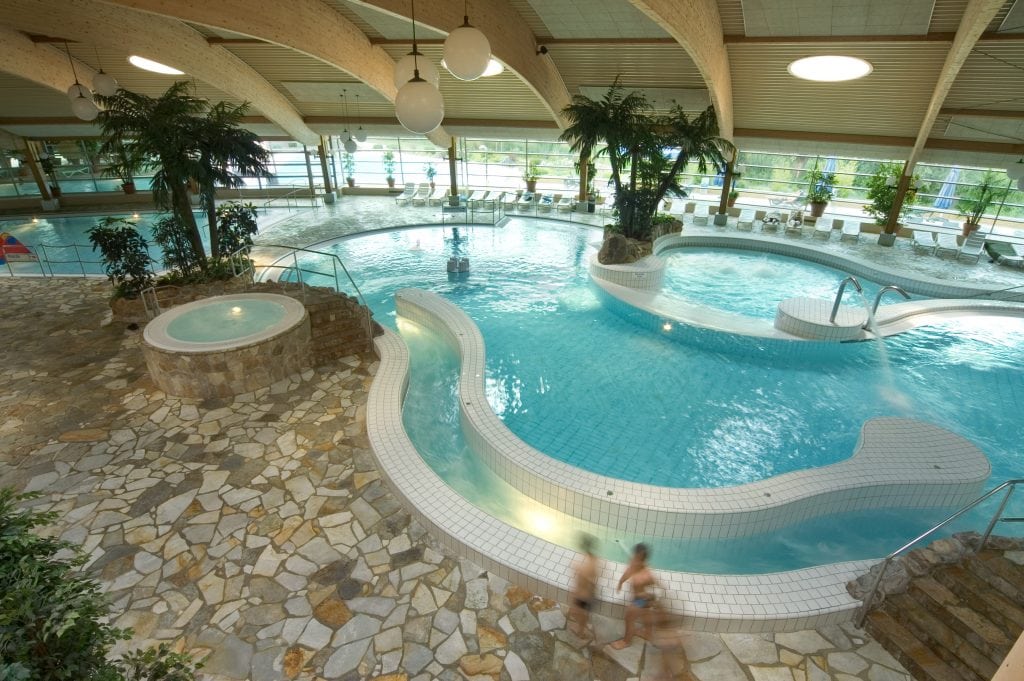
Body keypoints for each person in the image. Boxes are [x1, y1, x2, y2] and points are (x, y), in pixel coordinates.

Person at [610, 542, 656, 649]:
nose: (635, 560)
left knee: (629, 619)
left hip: (641, 600)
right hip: (643, 599)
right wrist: (620, 582)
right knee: (646, 615)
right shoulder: (634, 563)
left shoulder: (645, 574)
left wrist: (644, 595)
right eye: (635, 557)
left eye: (639, 559)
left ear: (643, 560)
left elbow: (653, 584)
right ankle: (648, 634)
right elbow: (628, 571)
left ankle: (626, 641)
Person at [568, 533, 598, 637]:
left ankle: (580, 631)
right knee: (583, 612)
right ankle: (582, 627)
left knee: (578, 613)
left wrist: (575, 595)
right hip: (590, 594)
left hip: (583, 596)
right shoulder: (595, 559)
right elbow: (593, 579)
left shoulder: (581, 565)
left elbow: (580, 583)